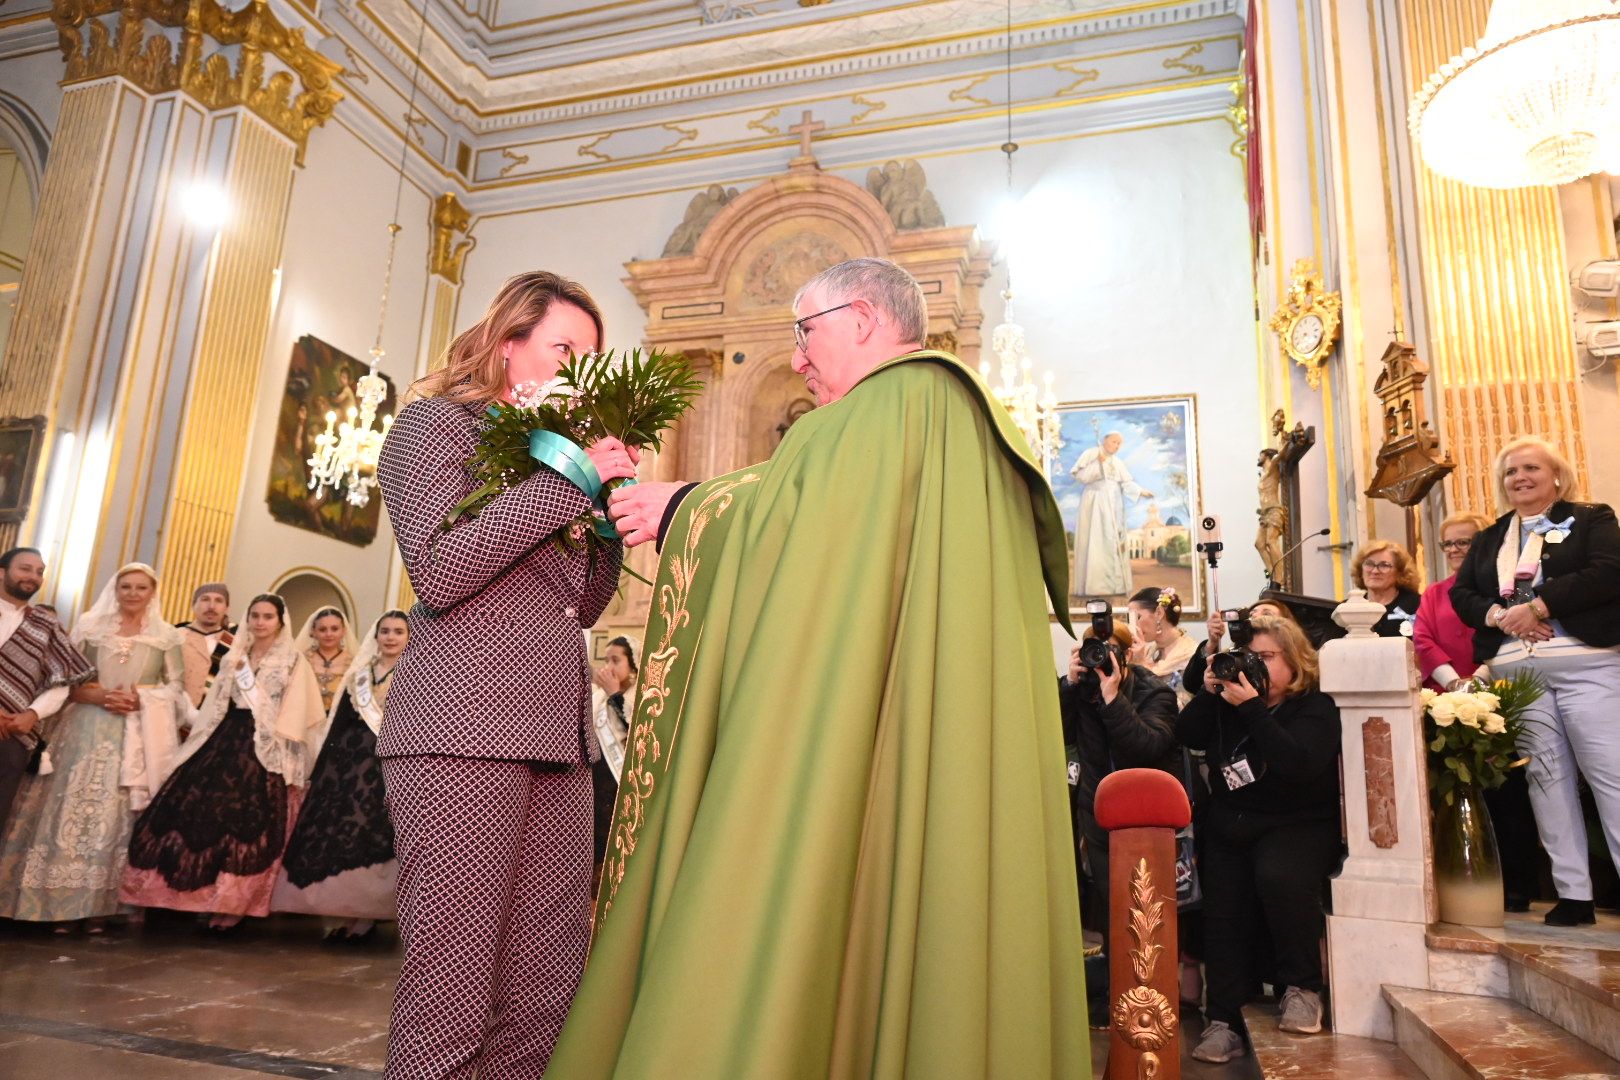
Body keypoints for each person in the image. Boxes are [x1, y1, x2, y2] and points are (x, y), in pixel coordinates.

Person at [552, 257, 1088, 1077]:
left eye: (806, 333)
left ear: (865, 320)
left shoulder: (878, 414)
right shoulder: (954, 416)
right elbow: (826, 540)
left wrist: (684, 506)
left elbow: (790, 535)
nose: (797, 360)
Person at [375, 270, 635, 1079]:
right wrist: (565, 483)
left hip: (559, 741)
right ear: (507, 342)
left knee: (545, 994)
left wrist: (607, 514)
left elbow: (580, 609)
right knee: (450, 993)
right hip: (461, 734)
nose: (579, 373)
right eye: (565, 349)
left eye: (591, 360)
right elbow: (442, 569)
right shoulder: (432, 428)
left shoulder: (549, 463)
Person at [1450, 436, 1620, 927]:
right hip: (1517, 671)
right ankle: (1573, 895)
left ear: (1557, 476)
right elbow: (1462, 595)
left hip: (1587, 664)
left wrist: (1541, 607)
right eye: (1510, 471)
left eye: (1531, 468)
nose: (1520, 477)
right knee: (1546, 780)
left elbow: (1610, 571)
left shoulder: (1592, 518)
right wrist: (1503, 616)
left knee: (1610, 776)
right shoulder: (1490, 536)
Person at [1176, 615, 1342, 1063]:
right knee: (1223, 907)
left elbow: (1299, 764)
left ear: (1295, 661)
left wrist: (1252, 707)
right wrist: (1213, 691)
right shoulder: (1227, 703)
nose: (1256, 666)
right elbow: (1186, 735)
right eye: (1250, 658)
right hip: (1235, 822)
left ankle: (1302, 989)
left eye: (1266, 657)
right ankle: (1224, 1019)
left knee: (1280, 875)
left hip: (1299, 823)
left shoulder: (1315, 706)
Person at [121, 593, 323, 930]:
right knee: (193, 813)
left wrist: (283, 751)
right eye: (255, 615)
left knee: (247, 823)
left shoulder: (293, 661)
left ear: (280, 621)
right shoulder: (233, 657)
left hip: (265, 745)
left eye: (267, 617)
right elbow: (215, 702)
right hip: (225, 736)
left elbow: (300, 711)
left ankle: (232, 904)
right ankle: (180, 900)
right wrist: (199, 740)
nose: (260, 622)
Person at [0, 564, 185, 932]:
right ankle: (54, 904)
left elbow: (177, 690)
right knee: (66, 807)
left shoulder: (167, 636)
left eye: (141, 587)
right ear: (114, 590)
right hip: (84, 726)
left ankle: (102, 906)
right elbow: (69, 680)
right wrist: (97, 695)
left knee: (116, 817)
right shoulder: (90, 627)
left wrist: (142, 700)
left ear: (153, 592)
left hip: (135, 736)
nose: (132, 593)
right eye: (125, 586)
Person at [1414, 510, 1540, 913]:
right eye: (1448, 543)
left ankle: (1517, 886)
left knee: (1507, 794)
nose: (1454, 550)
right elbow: (1423, 637)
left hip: (1501, 692)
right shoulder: (1436, 592)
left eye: (1463, 541)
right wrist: (1454, 683)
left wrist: (1482, 678)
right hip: (1448, 701)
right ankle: (1460, 882)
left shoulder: (1505, 588)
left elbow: (1514, 631)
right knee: (1454, 793)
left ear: (1484, 545)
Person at [273, 611, 407, 942]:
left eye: (398, 632)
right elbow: (339, 722)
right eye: (384, 631)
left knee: (373, 832)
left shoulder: (418, 671)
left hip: (389, 761)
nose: (390, 637)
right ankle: (343, 914)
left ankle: (368, 916)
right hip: (348, 764)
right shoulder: (359, 674)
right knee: (341, 831)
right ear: (375, 636)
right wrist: (324, 768)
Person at [1061, 619, 1179, 935]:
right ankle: (1118, 983)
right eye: (1093, 653)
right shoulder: (1079, 690)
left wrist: (1113, 700)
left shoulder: (1155, 692)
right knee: (1113, 910)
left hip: (1146, 819)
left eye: (1109, 652)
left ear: (1126, 656)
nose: (1100, 661)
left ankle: (1152, 983)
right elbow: (1055, 734)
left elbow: (1147, 747)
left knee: (1147, 912)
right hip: (1098, 814)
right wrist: (1069, 687)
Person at [0, 548, 92, 839]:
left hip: (12, 734)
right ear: (2, 572)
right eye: (25, 569)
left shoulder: (46, 623)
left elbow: (61, 680)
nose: (33, 577)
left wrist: (32, 714)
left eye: (39, 572)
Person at [1072, 431, 1153, 597]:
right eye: (1114, 442)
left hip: (1115, 505)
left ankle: (1115, 586)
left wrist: (1141, 491)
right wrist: (1097, 465)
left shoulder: (1118, 462)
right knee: (1097, 540)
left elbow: (1126, 482)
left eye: (1119, 444)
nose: (1116, 446)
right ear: (1105, 440)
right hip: (1096, 502)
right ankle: (1096, 587)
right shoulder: (1091, 454)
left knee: (1115, 540)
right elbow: (1080, 476)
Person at [589, 635, 638, 875]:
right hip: (596, 778)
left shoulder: (639, 696)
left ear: (633, 664)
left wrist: (614, 694)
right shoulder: (598, 694)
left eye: (616, 660)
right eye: (606, 660)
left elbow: (638, 732)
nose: (609, 667)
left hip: (621, 781)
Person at [1127, 586, 1199, 705]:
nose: (1133, 625)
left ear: (1159, 613)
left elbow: (1179, 706)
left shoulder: (1190, 654)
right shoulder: (1150, 651)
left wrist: (1142, 665)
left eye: (1137, 617)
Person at [177, 583, 235, 710]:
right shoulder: (174, 636)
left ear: (227, 608)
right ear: (193, 604)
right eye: (205, 599)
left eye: (219, 601)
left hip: (209, 723)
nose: (211, 606)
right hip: (170, 715)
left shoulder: (235, 645)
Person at [1350, 540, 1423, 638]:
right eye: (1369, 564)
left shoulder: (1419, 606)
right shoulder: (1347, 609)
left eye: (1384, 565)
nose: (1375, 571)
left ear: (1400, 572)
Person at [297, 606, 356, 713]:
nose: (329, 634)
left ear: (343, 631)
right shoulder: (302, 660)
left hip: (339, 723)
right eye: (322, 629)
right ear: (313, 632)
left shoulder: (353, 663)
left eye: (334, 629)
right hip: (305, 719)